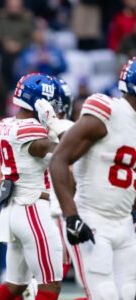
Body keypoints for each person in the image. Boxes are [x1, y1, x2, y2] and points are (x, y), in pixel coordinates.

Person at [50, 57, 136, 300]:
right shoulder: (108, 112)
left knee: (130, 292)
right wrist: (71, 216)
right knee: (104, 294)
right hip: (93, 218)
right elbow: (60, 159)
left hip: (124, 222)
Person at [0, 73, 71, 300]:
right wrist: (53, 122)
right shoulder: (33, 129)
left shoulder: (5, 124)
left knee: (14, 285)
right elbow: (69, 150)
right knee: (50, 287)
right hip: (33, 207)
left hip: (13, 210)